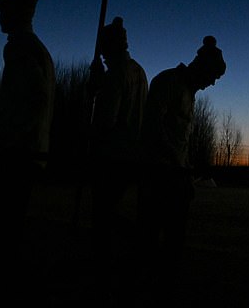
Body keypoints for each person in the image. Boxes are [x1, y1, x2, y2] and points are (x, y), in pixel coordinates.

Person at [0, 0, 56, 281]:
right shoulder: (35, 48)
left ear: (16, 14)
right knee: (8, 224)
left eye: (3, 12)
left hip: (15, 152)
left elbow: (34, 98)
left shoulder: (20, 48)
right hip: (26, 150)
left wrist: (10, 139)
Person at [138, 35, 227, 280]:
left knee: (173, 238)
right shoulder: (168, 83)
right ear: (203, 69)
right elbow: (154, 128)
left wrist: (184, 170)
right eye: (213, 77)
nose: (212, 84)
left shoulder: (187, 92)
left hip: (174, 175)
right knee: (152, 234)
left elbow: (179, 140)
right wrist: (177, 165)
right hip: (158, 174)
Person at [90, 16, 148, 237]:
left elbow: (106, 119)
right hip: (133, 153)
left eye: (104, 49)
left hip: (112, 156)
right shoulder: (139, 71)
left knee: (103, 212)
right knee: (108, 209)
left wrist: (98, 88)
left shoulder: (116, 74)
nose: (102, 54)